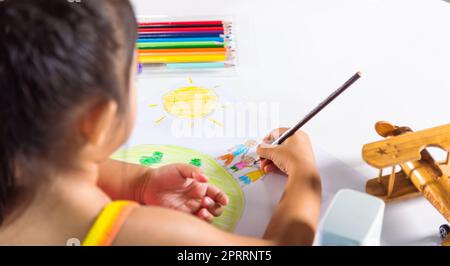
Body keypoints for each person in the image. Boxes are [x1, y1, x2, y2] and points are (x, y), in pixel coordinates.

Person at [0, 0, 321, 245]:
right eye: (133, 75)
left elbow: (51, 165)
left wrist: (138, 182)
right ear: (97, 121)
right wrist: (304, 174)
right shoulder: (145, 234)